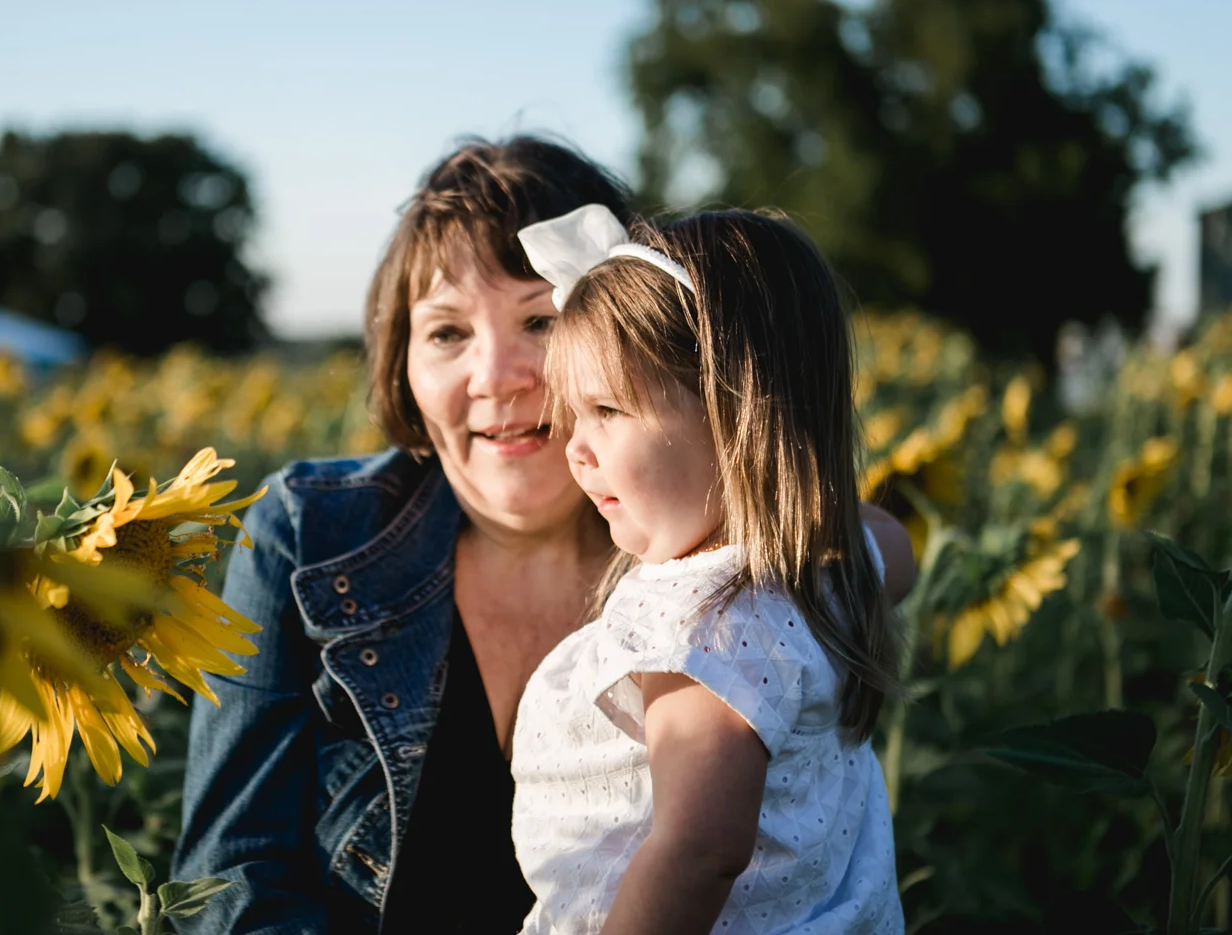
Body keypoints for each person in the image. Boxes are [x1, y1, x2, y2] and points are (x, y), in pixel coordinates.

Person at [171, 137, 915, 934]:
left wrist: (774, 496)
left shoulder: (706, 589)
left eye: (540, 319)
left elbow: (702, 849)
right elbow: (231, 881)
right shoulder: (309, 536)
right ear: (401, 365)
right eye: (447, 333)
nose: (496, 375)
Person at [508, 204, 905, 934]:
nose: (576, 449)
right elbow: (895, 549)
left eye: (607, 410)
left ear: (736, 412)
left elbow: (698, 851)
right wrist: (807, 509)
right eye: (574, 415)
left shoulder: (703, 631)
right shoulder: (825, 576)